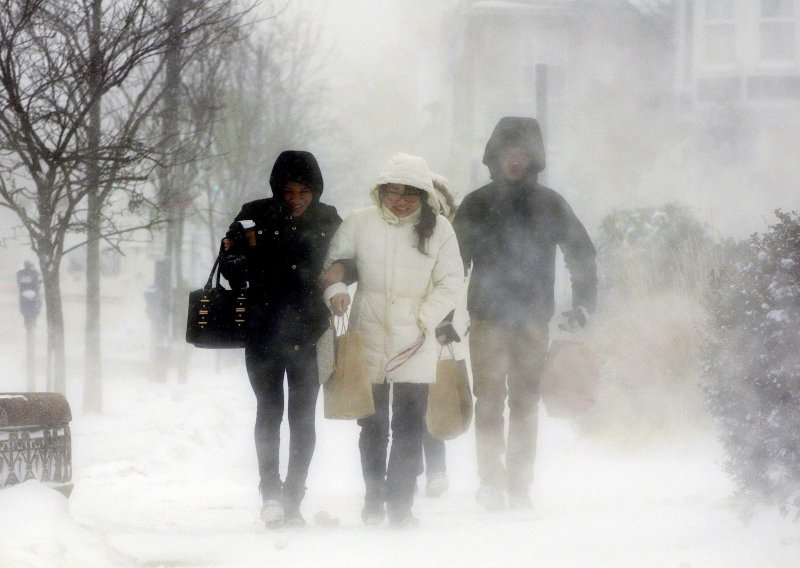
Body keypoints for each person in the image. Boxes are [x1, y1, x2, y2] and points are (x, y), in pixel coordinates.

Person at [452, 117, 597, 511]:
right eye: (506, 153)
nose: (514, 161)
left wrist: (583, 302)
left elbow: (580, 251)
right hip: (486, 319)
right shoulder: (477, 204)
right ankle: (489, 481)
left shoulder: (549, 204)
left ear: (534, 158)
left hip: (533, 320)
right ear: (494, 157)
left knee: (526, 402)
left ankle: (519, 484)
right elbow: (452, 263)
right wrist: (447, 316)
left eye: (522, 154)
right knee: (488, 400)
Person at [322, 153, 463, 527]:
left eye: (411, 194)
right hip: (367, 335)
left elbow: (451, 282)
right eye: (394, 192)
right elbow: (333, 263)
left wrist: (424, 316)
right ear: (381, 191)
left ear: (424, 196)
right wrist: (336, 290)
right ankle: (374, 498)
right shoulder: (359, 222)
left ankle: (400, 506)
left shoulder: (440, 231)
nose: (401, 201)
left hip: (415, 340)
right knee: (372, 426)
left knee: (408, 425)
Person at [219, 150, 342, 528]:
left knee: (302, 418)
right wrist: (236, 254)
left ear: (316, 190)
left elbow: (350, 260)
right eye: (288, 190)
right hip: (263, 331)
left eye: (304, 191)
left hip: (310, 332)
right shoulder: (255, 213)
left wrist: (341, 270)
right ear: (276, 188)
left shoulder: (329, 219)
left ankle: (294, 497)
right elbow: (231, 272)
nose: (296, 199)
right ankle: (269, 492)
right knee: (268, 412)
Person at [16, 260, 42, 329]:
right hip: (34, 296)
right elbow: (39, 282)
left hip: (24, 295)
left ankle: (28, 325)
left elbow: (19, 283)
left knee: (26, 313)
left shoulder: (20, 273)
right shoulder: (36, 273)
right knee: (34, 311)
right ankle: (32, 325)